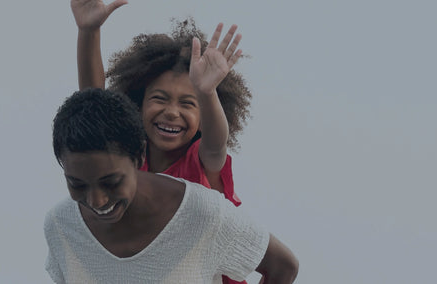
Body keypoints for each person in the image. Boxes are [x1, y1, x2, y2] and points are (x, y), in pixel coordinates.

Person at [44, 88, 298, 283]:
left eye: (111, 182)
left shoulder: (202, 213)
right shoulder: (60, 224)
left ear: (139, 156)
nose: (96, 200)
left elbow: (283, 267)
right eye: (76, 183)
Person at [70, 0, 252, 208]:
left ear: (203, 119)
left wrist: (207, 93)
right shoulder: (128, 156)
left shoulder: (200, 161)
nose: (172, 112)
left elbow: (216, 144)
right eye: (159, 99)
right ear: (137, 106)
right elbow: (94, 105)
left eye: (187, 104)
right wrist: (88, 31)